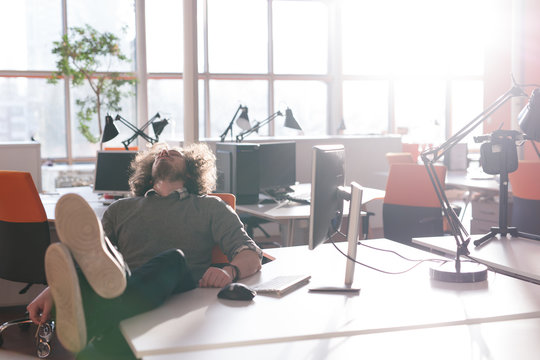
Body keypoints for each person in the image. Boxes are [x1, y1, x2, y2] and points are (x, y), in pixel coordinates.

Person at [27, 143, 263, 358]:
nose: (164, 152)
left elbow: (250, 254)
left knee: (173, 260)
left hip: (181, 295)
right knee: (91, 354)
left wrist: (230, 271)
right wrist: (54, 290)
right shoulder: (120, 209)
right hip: (128, 295)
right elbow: (88, 260)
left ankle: (89, 320)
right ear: (149, 174)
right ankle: (96, 321)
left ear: (190, 172)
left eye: (175, 153)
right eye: (160, 153)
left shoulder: (209, 206)